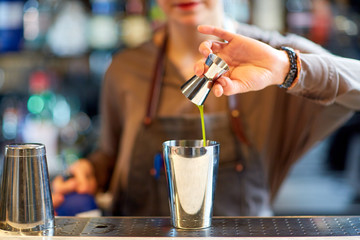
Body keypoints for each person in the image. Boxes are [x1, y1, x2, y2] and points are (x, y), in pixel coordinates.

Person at [52, 0, 360, 216]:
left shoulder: (275, 55)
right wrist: (92, 171)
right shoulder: (125, 68)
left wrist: (286, 68)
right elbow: (111, 155)